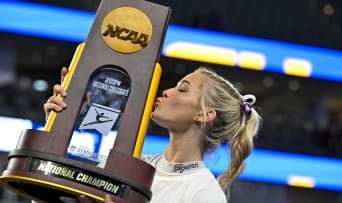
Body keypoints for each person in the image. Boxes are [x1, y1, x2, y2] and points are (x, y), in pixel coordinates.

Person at [44, 66, 262, 203]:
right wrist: (61, 124)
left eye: (183, 89)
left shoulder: (205, 194)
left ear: (204, 114)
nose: (167, 91)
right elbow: (50, 189)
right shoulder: (132, 166)